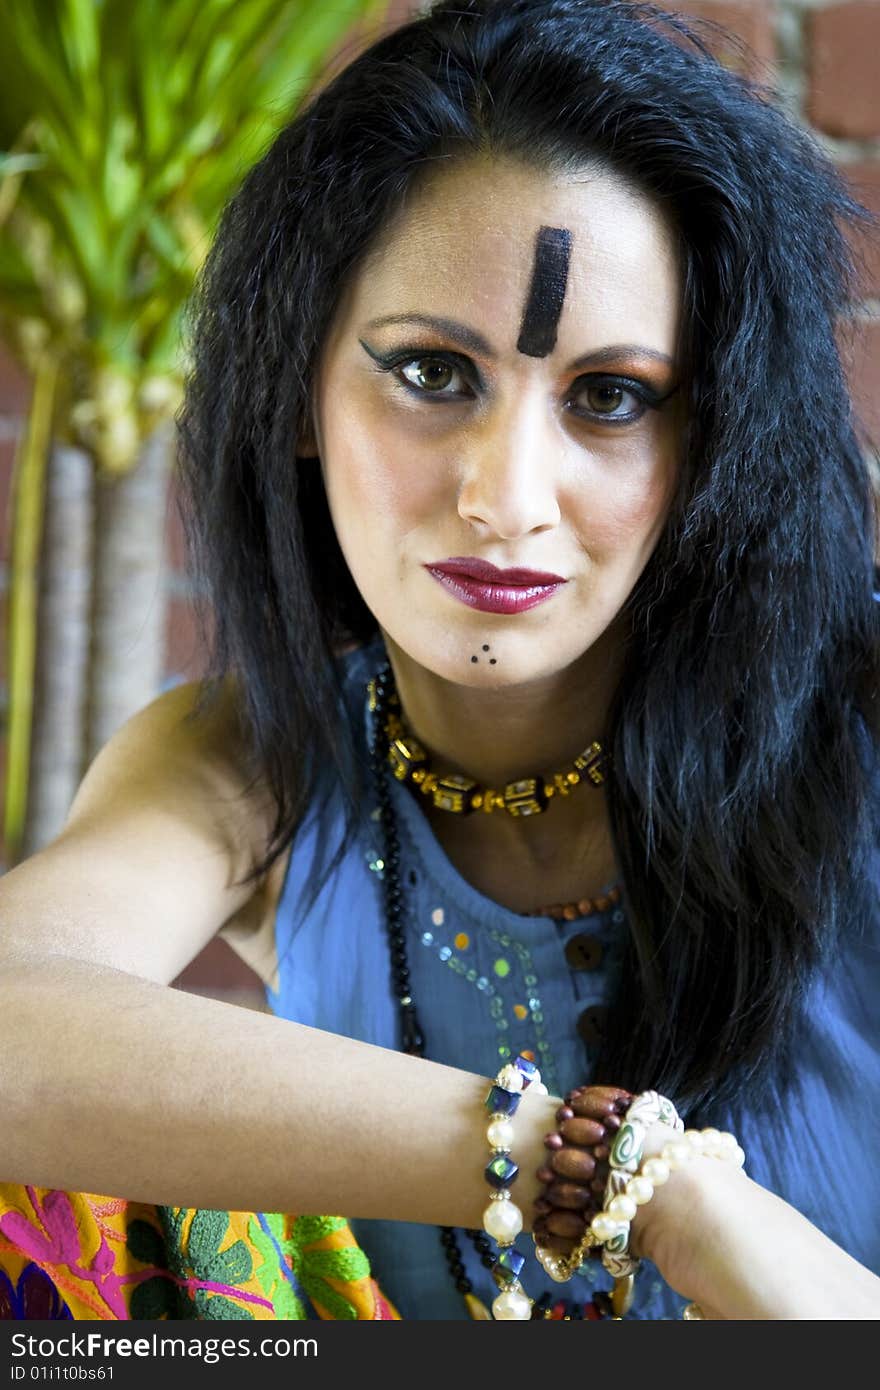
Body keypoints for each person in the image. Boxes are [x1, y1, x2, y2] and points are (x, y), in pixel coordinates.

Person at [1, 0, 878, 1322]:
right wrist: (604, 1169)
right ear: (300, 390)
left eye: (612, 396)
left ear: (713, 439)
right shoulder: (256, 758)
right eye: (430, 371)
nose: (504, 498)